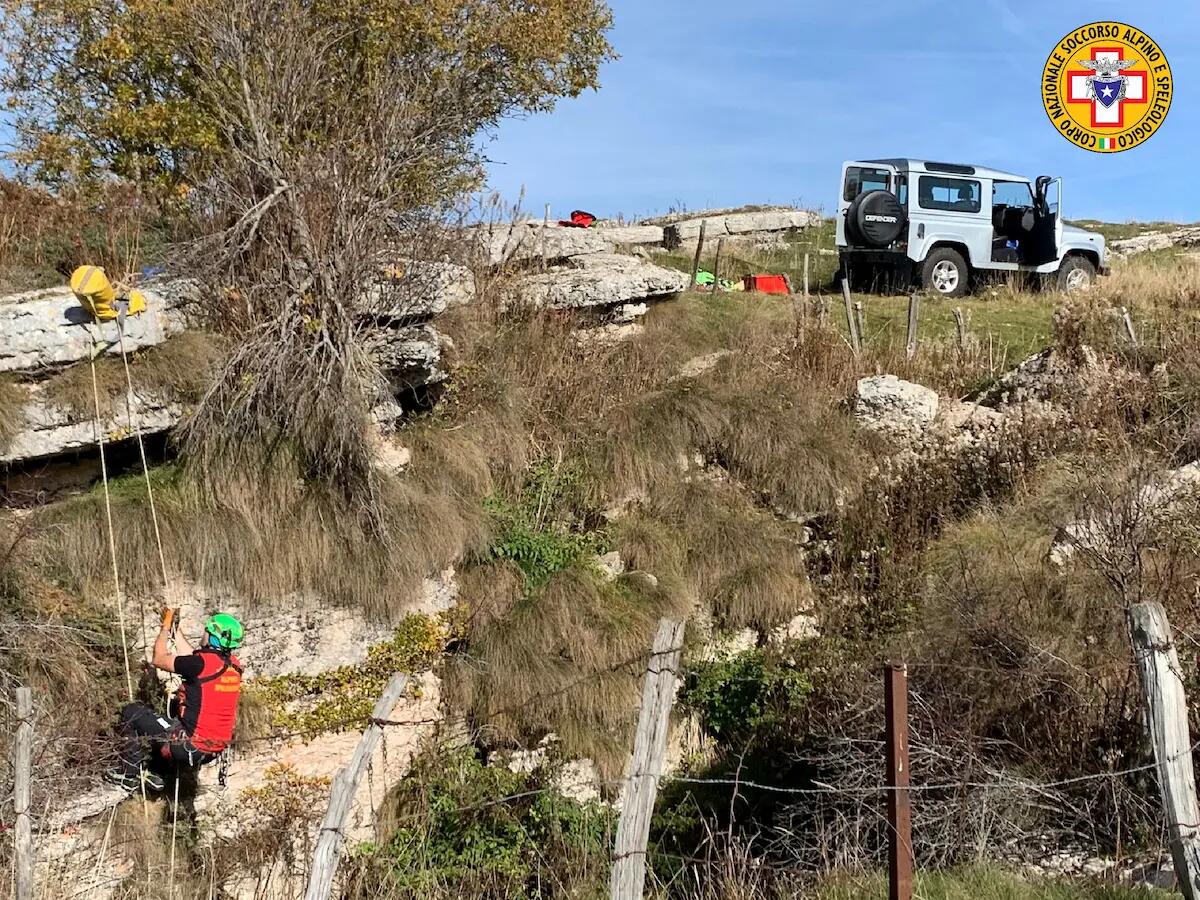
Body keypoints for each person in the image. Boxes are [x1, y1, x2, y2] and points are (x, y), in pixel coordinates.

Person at [106, 609, 245, 793]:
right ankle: (156, 773)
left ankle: (128, 775)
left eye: (206, 631)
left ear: (212, 637)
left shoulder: (199, 665)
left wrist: (164, 629)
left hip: (188, 745)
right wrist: (175, 627)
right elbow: (193, 658)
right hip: (212, 749)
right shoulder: (234, 666)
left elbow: (159, 659)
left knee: (133, 712)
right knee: (166, 717)